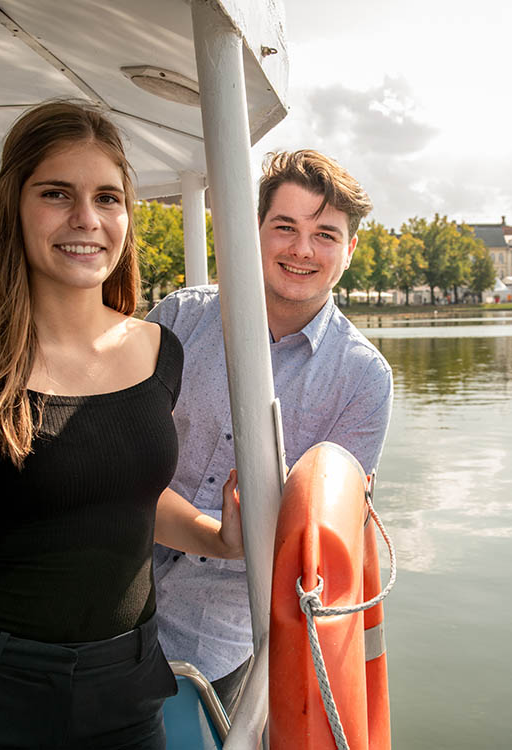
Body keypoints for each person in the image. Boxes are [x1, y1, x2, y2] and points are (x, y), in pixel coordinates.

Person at [0, 99, 242, 750]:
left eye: (107, 197)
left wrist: (220, 537)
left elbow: (123, 498)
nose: (86, 219)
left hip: (125, 692)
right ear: (14, 204)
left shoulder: (159, 351)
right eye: (57, 194)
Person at [148, 150, 393, 710]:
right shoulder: (178, 320)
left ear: (349, 250)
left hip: (225, 636)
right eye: (285, 227)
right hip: (110, 600)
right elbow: (118, 463)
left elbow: (320, 538)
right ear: (253, 231)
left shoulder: (363, 379)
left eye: (326, 234)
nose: (302, 249)